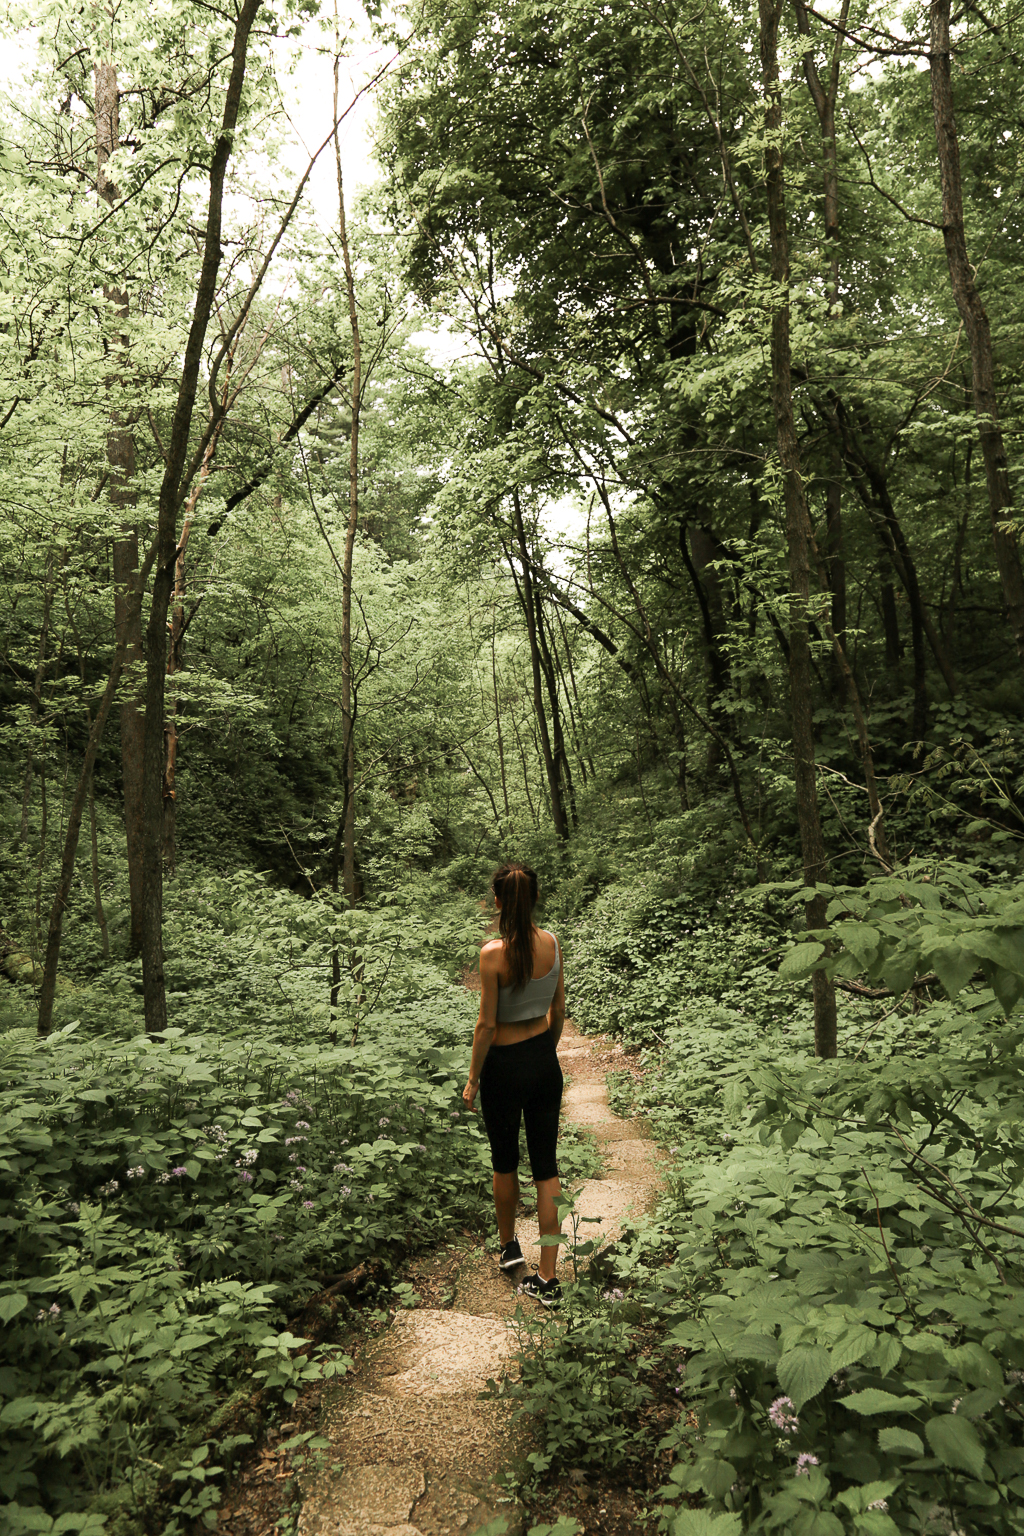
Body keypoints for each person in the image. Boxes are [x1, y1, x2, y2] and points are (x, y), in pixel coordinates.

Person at [462, 861, 566, 1306]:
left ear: (498, 902)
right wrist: (545, 1052)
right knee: (547, 1167)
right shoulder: (552, 944)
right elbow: (558, 1011)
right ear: (536, 899)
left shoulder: (491, 954)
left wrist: (472, 1080)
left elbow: (486, 1026)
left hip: (503, 1068)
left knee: (504, 1161)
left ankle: (509, 1248)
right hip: (544, 1061)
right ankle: (548, 1278)